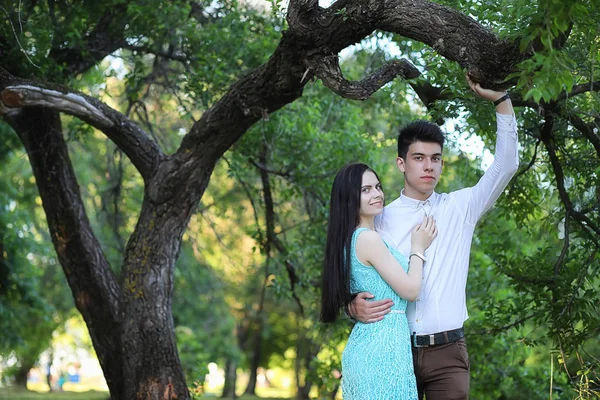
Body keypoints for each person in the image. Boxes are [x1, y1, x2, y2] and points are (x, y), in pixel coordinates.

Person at [349, 76, 518, 399]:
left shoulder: (461, 207)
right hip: (394, 349)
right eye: (419, 158)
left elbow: (506, 164)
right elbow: (359, 270)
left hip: (448, 353)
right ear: (401, 163)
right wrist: (350, 305)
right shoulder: (380, 219)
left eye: (436, 158)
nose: (429, 167)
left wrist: (501, 100)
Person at [320, 162, 438, 400]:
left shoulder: (351, 238)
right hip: (379, 352)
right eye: (366, 190)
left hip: (378, 346)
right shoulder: (368, 239)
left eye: (378, 187)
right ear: (349, 197)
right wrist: (418, 248)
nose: (377, 194)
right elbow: (411, 290)